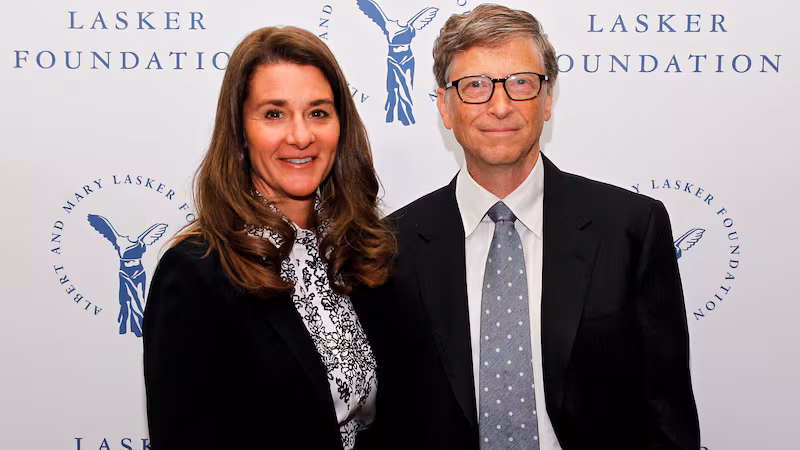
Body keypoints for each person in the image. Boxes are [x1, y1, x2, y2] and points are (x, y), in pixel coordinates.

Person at [361, 5, 700, 450]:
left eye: (520, 83)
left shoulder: (631, 228)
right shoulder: (390, 246)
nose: (500, 106)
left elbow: (668, 415)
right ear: (445, 106)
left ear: (548, 99)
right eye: (475, 85)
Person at [142, 26, 396, 450]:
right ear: (240, 130)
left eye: (318, 112)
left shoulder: (358, 251)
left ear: (341, 125)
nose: (301, 136)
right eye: (274, 114)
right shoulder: (195, 273)